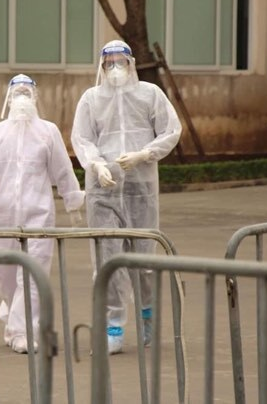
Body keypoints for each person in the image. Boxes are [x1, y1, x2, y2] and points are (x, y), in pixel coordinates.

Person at [0, 74, 85, 354]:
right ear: (9, 98)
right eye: (18, 92)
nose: (22, 97)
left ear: (35, 97)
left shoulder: (48, 132)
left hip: (39, 214)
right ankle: (13, 313)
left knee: (33, 273)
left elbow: (62, 170)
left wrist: (73, 202)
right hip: (3, 214)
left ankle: (24, 331)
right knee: (5, 274)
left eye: (27, 92)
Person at [71, 40, 182, 354]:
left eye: (121, 61)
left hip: (140, 188)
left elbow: (171, 130)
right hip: (102, 189)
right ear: (102, 66)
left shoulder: (150, 94)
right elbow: (82, 138)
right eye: (110, 63)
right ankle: (113, 328)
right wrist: (96, 165)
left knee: (144, 259)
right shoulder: (91, 99)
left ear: (131, 63)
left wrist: (145, 154)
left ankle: (148, 317)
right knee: (107, 260)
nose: (115, 68)